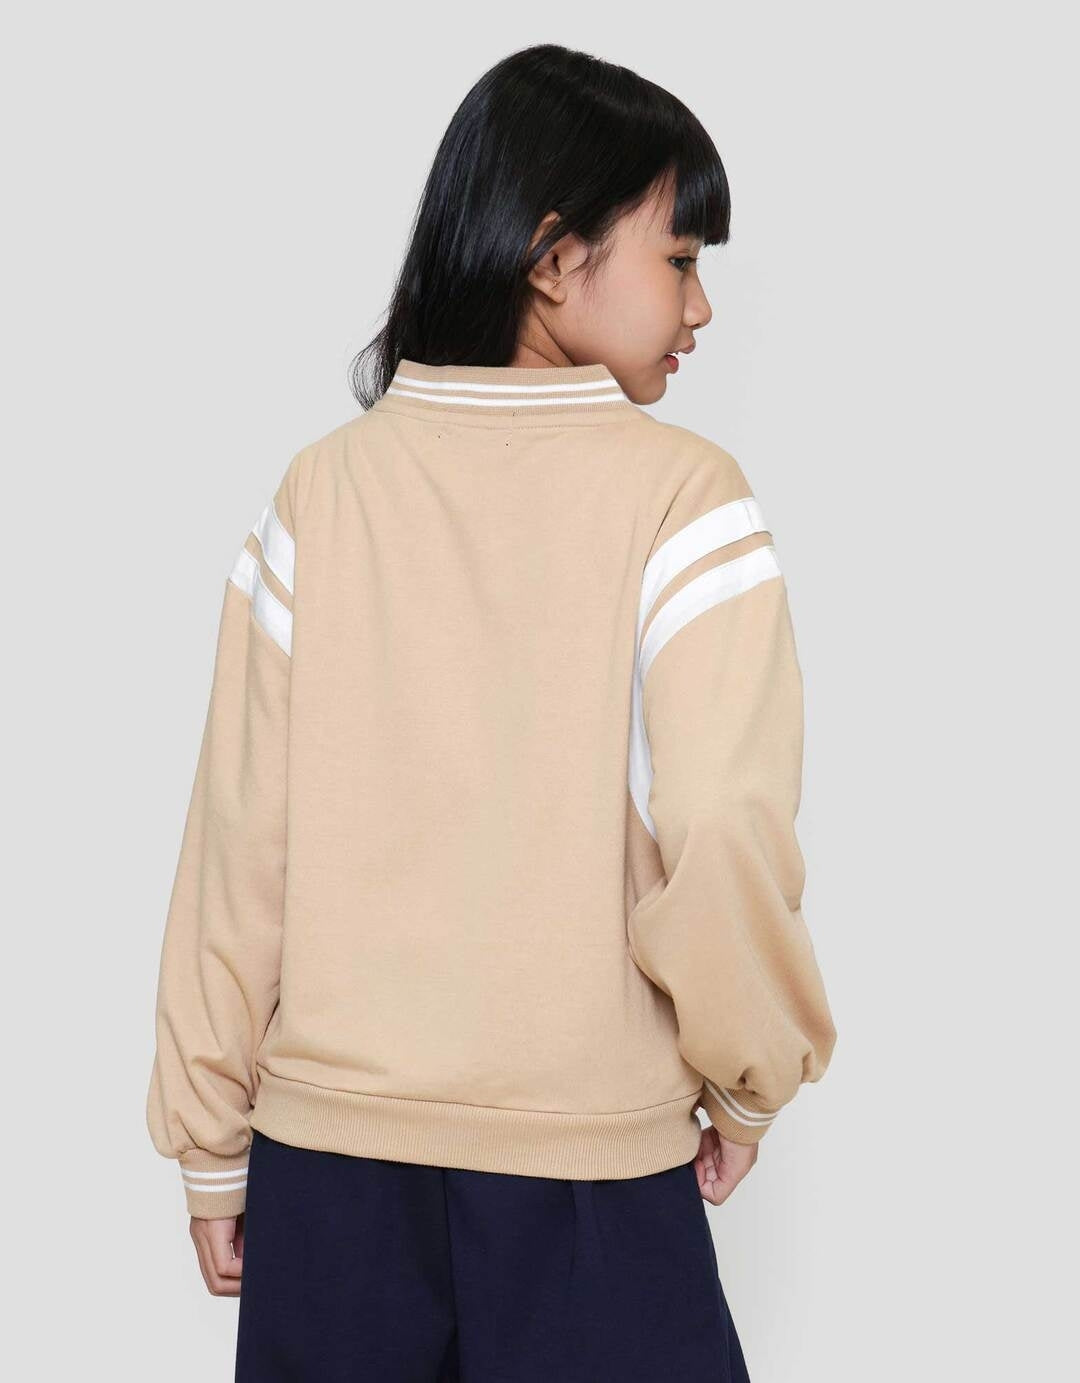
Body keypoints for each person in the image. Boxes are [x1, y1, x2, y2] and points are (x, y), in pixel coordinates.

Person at [145, 41, 837, 1382]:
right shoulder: (683, 498)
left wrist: (212, 1142)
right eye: (681, 259)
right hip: (586, 1181)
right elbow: (720, 820)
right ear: (553, 256)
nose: (700, 307)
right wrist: (751, 1074)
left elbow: (238, 846)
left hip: (328, 1180)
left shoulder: (323, 494)